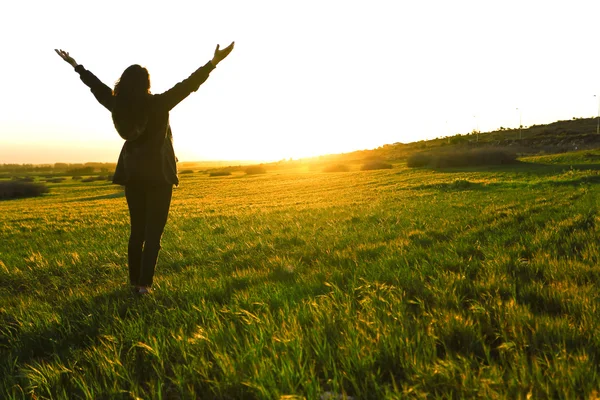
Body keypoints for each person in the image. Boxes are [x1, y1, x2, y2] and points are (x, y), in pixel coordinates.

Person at [55, 43, 234, 294]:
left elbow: (95, 86)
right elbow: (189, 84)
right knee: (153, 236)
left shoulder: (117, 105)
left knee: (136, 232)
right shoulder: (160, 103)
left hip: (133, 175)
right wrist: (213, 62)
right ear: (146, 83)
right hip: (159, 176)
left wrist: (76, 65)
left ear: (124, 83)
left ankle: (134, 283)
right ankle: (144, 285)